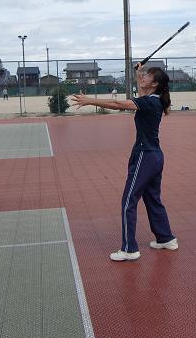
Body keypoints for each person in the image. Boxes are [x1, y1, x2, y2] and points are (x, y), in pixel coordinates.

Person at [71, 64, 177, 262]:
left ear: (154, 84)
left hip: (145, 156)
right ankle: (166, 238)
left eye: (147, 76)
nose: (143, 77)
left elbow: (119, 104)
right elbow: (141, 91)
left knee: (129, 201)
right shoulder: (154, 100)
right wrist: (138, 72)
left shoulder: (149, 102)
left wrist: (90, 100)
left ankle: (129, 249)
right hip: (154, 156)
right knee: (153, 199)